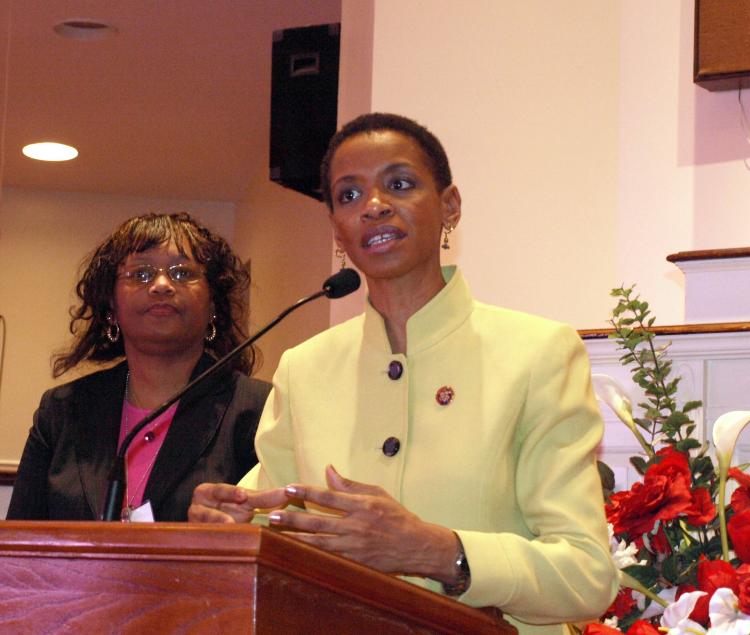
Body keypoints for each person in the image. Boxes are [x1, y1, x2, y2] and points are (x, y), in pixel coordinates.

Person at [189, 114, 618, 632]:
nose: (374, 206)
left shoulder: (538, 353)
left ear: (450, 207)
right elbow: (273, 525)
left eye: (400, 184)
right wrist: (229, 526)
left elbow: (587, 576)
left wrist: (438, 552)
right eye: (349, 195)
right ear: (337, 230)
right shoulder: (305, 369)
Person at [7, 213, 271, 521]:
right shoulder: (62, 410)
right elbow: (19, 547)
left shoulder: (259, 409)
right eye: (141, 274)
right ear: (111, 308)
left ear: (213, 306)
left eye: (183, 273)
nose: (161, 285)